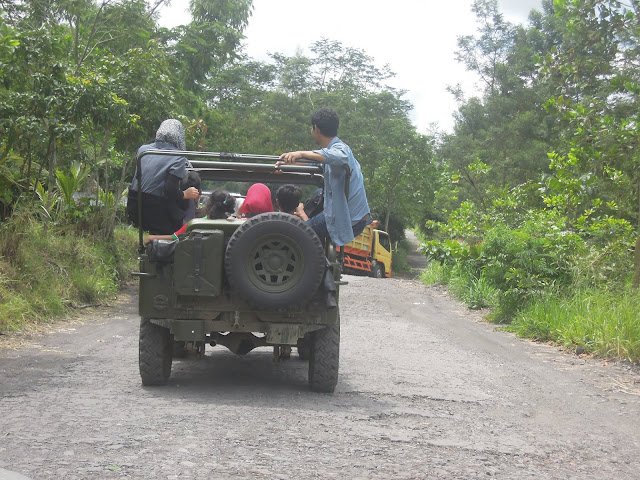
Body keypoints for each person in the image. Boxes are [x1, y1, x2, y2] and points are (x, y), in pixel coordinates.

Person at [277, 107, 371, 246]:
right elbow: (312, 164)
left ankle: (317, 265)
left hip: (349, 218)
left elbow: (337, 157)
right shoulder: (329, 153)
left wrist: (301, 153)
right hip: (352, 216)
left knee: (297, 234)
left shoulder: (341, 149)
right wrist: (285, 166)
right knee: (317, 195)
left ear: (316, 128)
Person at [126, 119, 199, 234]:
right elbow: (170, 190)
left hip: (134, 207)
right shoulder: (178, 156)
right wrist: (185, 194)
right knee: (182, 209)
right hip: (156, 214)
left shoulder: (143, 149)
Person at [143, 190, 236, 245]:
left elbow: (173, 238)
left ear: (208, 205)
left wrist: (151, 238)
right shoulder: (236, 227)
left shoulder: (194, 225)